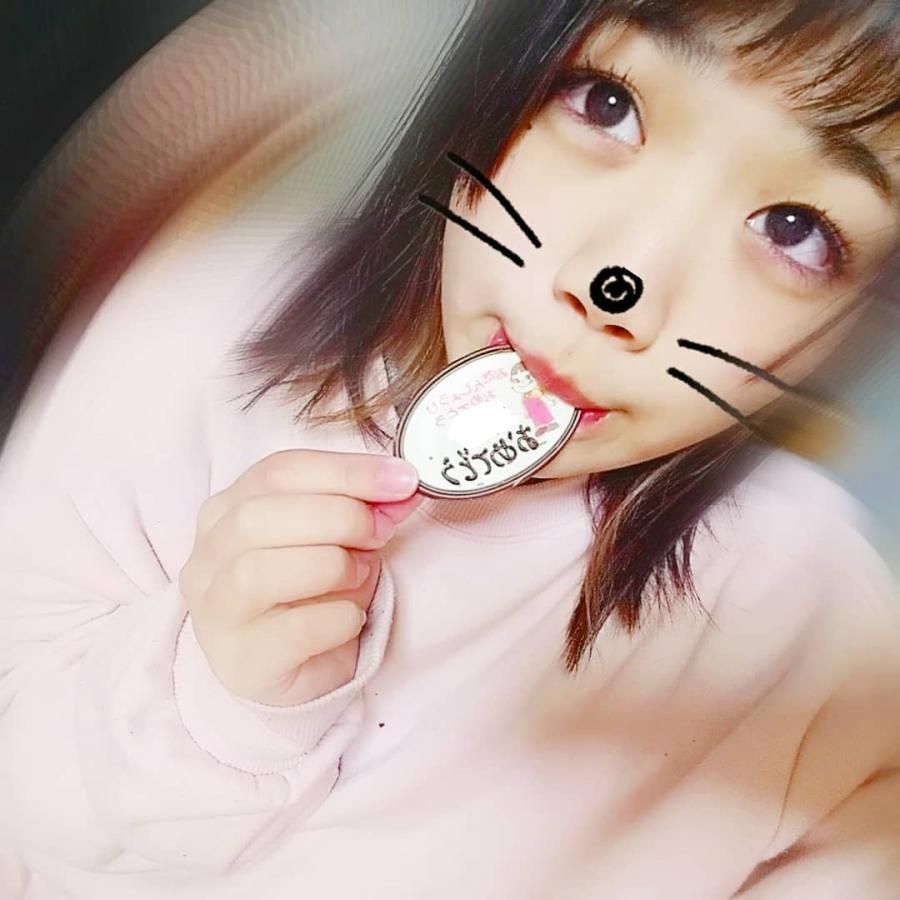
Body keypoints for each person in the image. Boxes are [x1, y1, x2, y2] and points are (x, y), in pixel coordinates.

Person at [2, 1, 900, 897]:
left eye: (795, 230)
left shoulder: (820, 635)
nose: (614, 280)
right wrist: (214, 700)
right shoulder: (194, 332)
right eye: (607, 104)